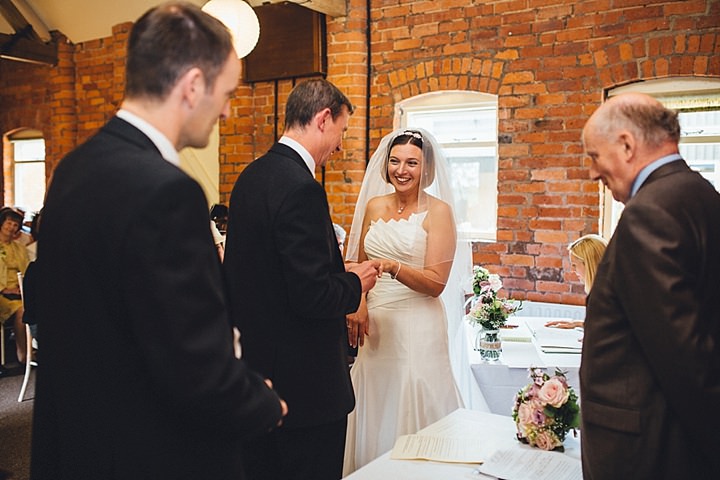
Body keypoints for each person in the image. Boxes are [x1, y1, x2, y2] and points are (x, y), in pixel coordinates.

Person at [30, 4, 286, 479]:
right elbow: (191, 363)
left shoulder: (74, 168)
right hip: (152, 451)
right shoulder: (167, 191)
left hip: (83, 442)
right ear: (192, 86)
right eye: (226, 92)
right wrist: (262, 401)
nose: (228, 110)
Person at [223, 78, 382, 480]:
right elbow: (311, 295)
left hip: (258, 377)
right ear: (323, 118)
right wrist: (354, 283)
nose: (341, 145)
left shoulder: (250, 177)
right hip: (305, 390)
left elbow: (266, 275)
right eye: (342, 131)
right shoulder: (302, 189)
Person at [580, 92, 720, 478]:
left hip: (645, 448)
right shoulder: (701, 194)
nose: (592, 172)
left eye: (593, 156)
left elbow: (684, 355)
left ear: (626, 145)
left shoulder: (649, 212)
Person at [342, 128, 464, 474]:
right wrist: (359, 302)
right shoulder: (373, 205)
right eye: (395, 161)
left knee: (412, 396)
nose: (402, 170)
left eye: (411, 162)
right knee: (376, 399)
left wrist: (394, 266)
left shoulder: (438, 212)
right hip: (377, 327)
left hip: (417, 325)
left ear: (426, 169)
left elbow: (436, 283)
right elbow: (359, 264)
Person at [545, 233, 607, 329]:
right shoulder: (603, 290)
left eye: (574, 265)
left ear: (589, 264)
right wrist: (576, 323)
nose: (573, 270)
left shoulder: (610, 296)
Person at [0, 207, 30, 367]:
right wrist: (5, 289)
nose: (12, 227)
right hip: (2, 294)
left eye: (15, 224)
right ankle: (24, 353)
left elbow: (26, 270)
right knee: (22, 311)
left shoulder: (19, 248)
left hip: (19, 291)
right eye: (9, 223)